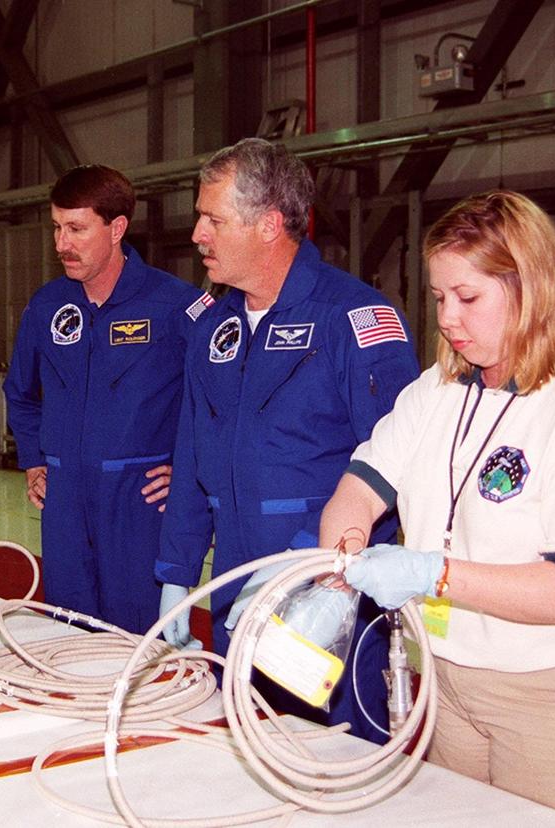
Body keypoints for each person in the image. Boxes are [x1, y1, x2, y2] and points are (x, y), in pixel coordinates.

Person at [324, 190, 555, 825]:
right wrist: (342, 562)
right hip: (451, 682)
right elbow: (361, 486)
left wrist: (432, 575)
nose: (448, 318)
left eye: (469, 298)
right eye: (439, 296)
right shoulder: (439, 389)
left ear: (530, 289)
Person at [155, 138, 419, 743]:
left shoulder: (353, 319)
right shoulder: (212, 327)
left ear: (269, 224)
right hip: (234, 586)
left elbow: (395, 467)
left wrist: (313, 570)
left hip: (326, 589)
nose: (197, 233)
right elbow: (193, 453)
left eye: (213, 219)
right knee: (250, 744)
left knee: (336, 758)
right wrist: (176, 570)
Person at [4, 164, 207, 634]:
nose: (61, 244)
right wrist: (34, 458)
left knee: (140, 639)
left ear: (116, 228)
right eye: (57, 228)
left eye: (76, 228)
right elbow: (20, 390)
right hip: (64, 501)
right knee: (68, 631)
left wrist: (188, 468)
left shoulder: (176, 306)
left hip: (138, 502)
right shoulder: (47, 305)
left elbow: (215, 401)